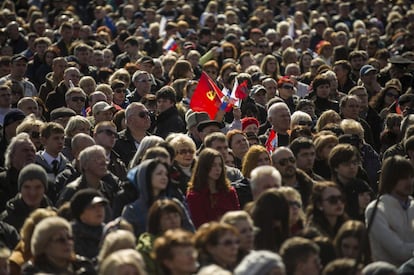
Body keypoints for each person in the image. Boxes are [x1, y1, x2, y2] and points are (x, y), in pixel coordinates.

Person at [365, 156, 414, 266]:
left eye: (411, 176)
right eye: (403, 177)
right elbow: (398, 251)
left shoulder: (412, 206)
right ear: (390, 179)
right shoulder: (376, 210)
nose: (409, 181)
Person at [22, 216, 96, 275]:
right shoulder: (31, 271)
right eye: (60, 240)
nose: (68, 243)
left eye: (70, 238)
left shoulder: (84, 266)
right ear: (44, 245)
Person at [186, 148, 240, 228]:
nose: (218, 169)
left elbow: (237, 217)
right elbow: (200, 224)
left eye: (220, 165)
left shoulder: (229, 191)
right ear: (204, 167)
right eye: (213, 165)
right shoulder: (194, 196)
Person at [137, 199, 187, 275]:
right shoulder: (147, 247)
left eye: (176, 216)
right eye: (167, 218)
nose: (174, 221)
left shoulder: (187, 241)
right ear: (157, 223)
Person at [0, 164, 52, 233]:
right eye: (27, 187)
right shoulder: (7, 220)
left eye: (38, 187)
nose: (32, 193)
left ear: (45, 189)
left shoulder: (53, 217)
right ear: (20, 189)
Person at [70, 188, 108, 260]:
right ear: (81, 214)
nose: (99, 210)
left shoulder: (109, 232)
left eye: (101, 206)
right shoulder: (70, 235)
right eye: (92, 207)